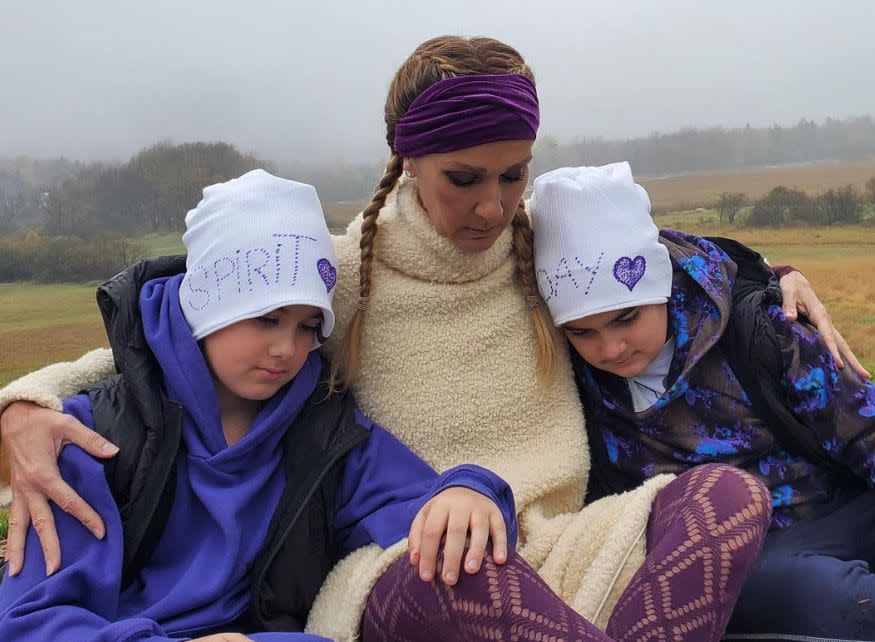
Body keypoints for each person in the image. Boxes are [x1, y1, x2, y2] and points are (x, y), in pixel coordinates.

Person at [0, 35, 857, 641]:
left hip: (558, 539)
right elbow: (173, 349)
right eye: (463, 179)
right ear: (406, 161)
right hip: (411, 549)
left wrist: (765, 277)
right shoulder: (333, 279)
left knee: (722, 497)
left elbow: (655, 262)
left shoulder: (542, 247)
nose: (493, 204)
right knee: (456, 574)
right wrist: (25, 403)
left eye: (513, 173)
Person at [0, 170, 529, 641]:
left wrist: (470, 489)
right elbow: (32, 618)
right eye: (266, 318)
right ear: (205, 307)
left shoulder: (323, 431)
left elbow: (419, 506)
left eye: (307, 326)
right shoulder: (90, 439)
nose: (288, 349)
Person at [529, 161, 875, 639]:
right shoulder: (575, 384)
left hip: (840, 509)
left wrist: (780, 275)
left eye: (627, 317)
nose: (610, 348)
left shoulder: (758, 333)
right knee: (820, 600)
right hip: (749, 562)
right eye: (582, 331)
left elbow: (863, 426)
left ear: (663, 286)